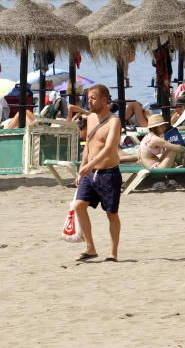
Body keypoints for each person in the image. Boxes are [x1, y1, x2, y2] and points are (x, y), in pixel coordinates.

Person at [71, 84, 123, 263]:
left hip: (109, 173)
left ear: (104, 99)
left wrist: (90, 165)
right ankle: (90, 247)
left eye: (93, 98)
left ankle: (113, 252)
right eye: (88, 97)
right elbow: (88, 145)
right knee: (78, 206)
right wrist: (81, 169)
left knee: (111, 214)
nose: (89, 101)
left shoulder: (114, 122)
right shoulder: (91, 117)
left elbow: (109, 148)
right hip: (90, 173)